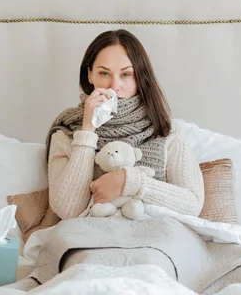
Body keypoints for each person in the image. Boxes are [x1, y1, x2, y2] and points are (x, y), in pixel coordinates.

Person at [44, 29, 204, 220]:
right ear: (90, 75)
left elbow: (192, 204)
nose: (114, 85)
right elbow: (68, 210)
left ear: (139, 78)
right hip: (92, 241)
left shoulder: (167, 132)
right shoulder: (66, 133)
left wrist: (130, 182)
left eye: (126, 74)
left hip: (154, 240)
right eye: (104, 73)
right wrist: (87, 130)